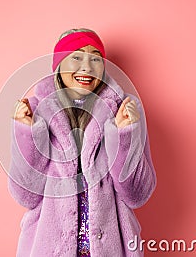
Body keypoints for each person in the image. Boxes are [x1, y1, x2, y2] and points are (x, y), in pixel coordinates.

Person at [8, 28, 156, 256]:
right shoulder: (37, 111)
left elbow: (137, 195)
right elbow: (25, 195)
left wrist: (124, 135)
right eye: (76, 56)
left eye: (95, 58)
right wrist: (28, 134)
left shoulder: (124, 110)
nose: (87, 67)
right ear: (59, 65)